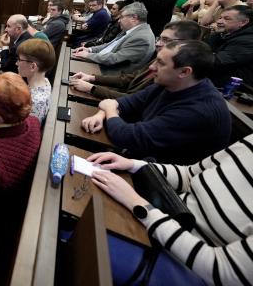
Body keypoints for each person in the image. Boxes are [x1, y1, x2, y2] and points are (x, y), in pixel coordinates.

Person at [86, 135, 253, 285]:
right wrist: (134, 165)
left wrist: (138, 204)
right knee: (89, 205)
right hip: (162, 221)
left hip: (188, 266)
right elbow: (188, 175)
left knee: (86, 234)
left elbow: (221, 270)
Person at [81, 40, 231, 164]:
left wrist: (109, 109)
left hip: (158, 179)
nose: (152, 67)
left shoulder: (198, 111)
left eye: (160, 63)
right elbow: (126, 102)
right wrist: (101, 115)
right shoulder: (170, 83)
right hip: (139, 159)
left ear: (184, 72)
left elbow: (127, 137)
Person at [70, 21, 201, 99]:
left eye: (166, 40)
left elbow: (135, 100)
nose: (158, 44)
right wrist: (92, 78)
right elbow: (131, 78)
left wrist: (92, 88)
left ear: (187, 43)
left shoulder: (175, 70)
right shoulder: (161, 57)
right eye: (160, 38)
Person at [72, 2, 155, 75]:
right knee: (71, 57)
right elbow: (109, 45)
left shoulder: (142, 38)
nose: (118, 21)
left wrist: (88, 55)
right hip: (100, 63)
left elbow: (115, 59)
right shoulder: (132, 30)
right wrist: (90, 50)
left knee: (69, 67)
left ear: (134, 18)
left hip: (106, 72)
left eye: (121, 17)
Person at [205, 6, 253, 86]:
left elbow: (218, 62)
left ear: (243, 22)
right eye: (220, 18)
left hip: (235, 87)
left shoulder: (247, 41)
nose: (218, 21)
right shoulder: (224, 34)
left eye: (226, 19)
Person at [16, 39, 56, 123]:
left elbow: (26, 128)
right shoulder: (45, 81)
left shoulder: (34, 101)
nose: (16, 63)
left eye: (19, 60)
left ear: (33, 67)